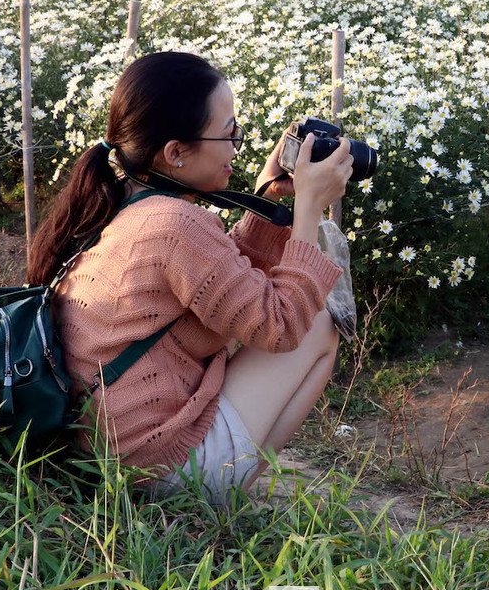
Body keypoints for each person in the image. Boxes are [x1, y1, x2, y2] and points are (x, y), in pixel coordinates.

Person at [28, 51, 353, 506]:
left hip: (101, 451)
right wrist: (308, 211)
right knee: (319, 326)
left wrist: (269, 196)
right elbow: (280, 327)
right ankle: (218, 492)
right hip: (156, 467)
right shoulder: (177, 224)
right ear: (176, 152)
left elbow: (224, 285)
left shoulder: (120, 199)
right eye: (228, 134)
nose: (236, 148)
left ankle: (223, 478)